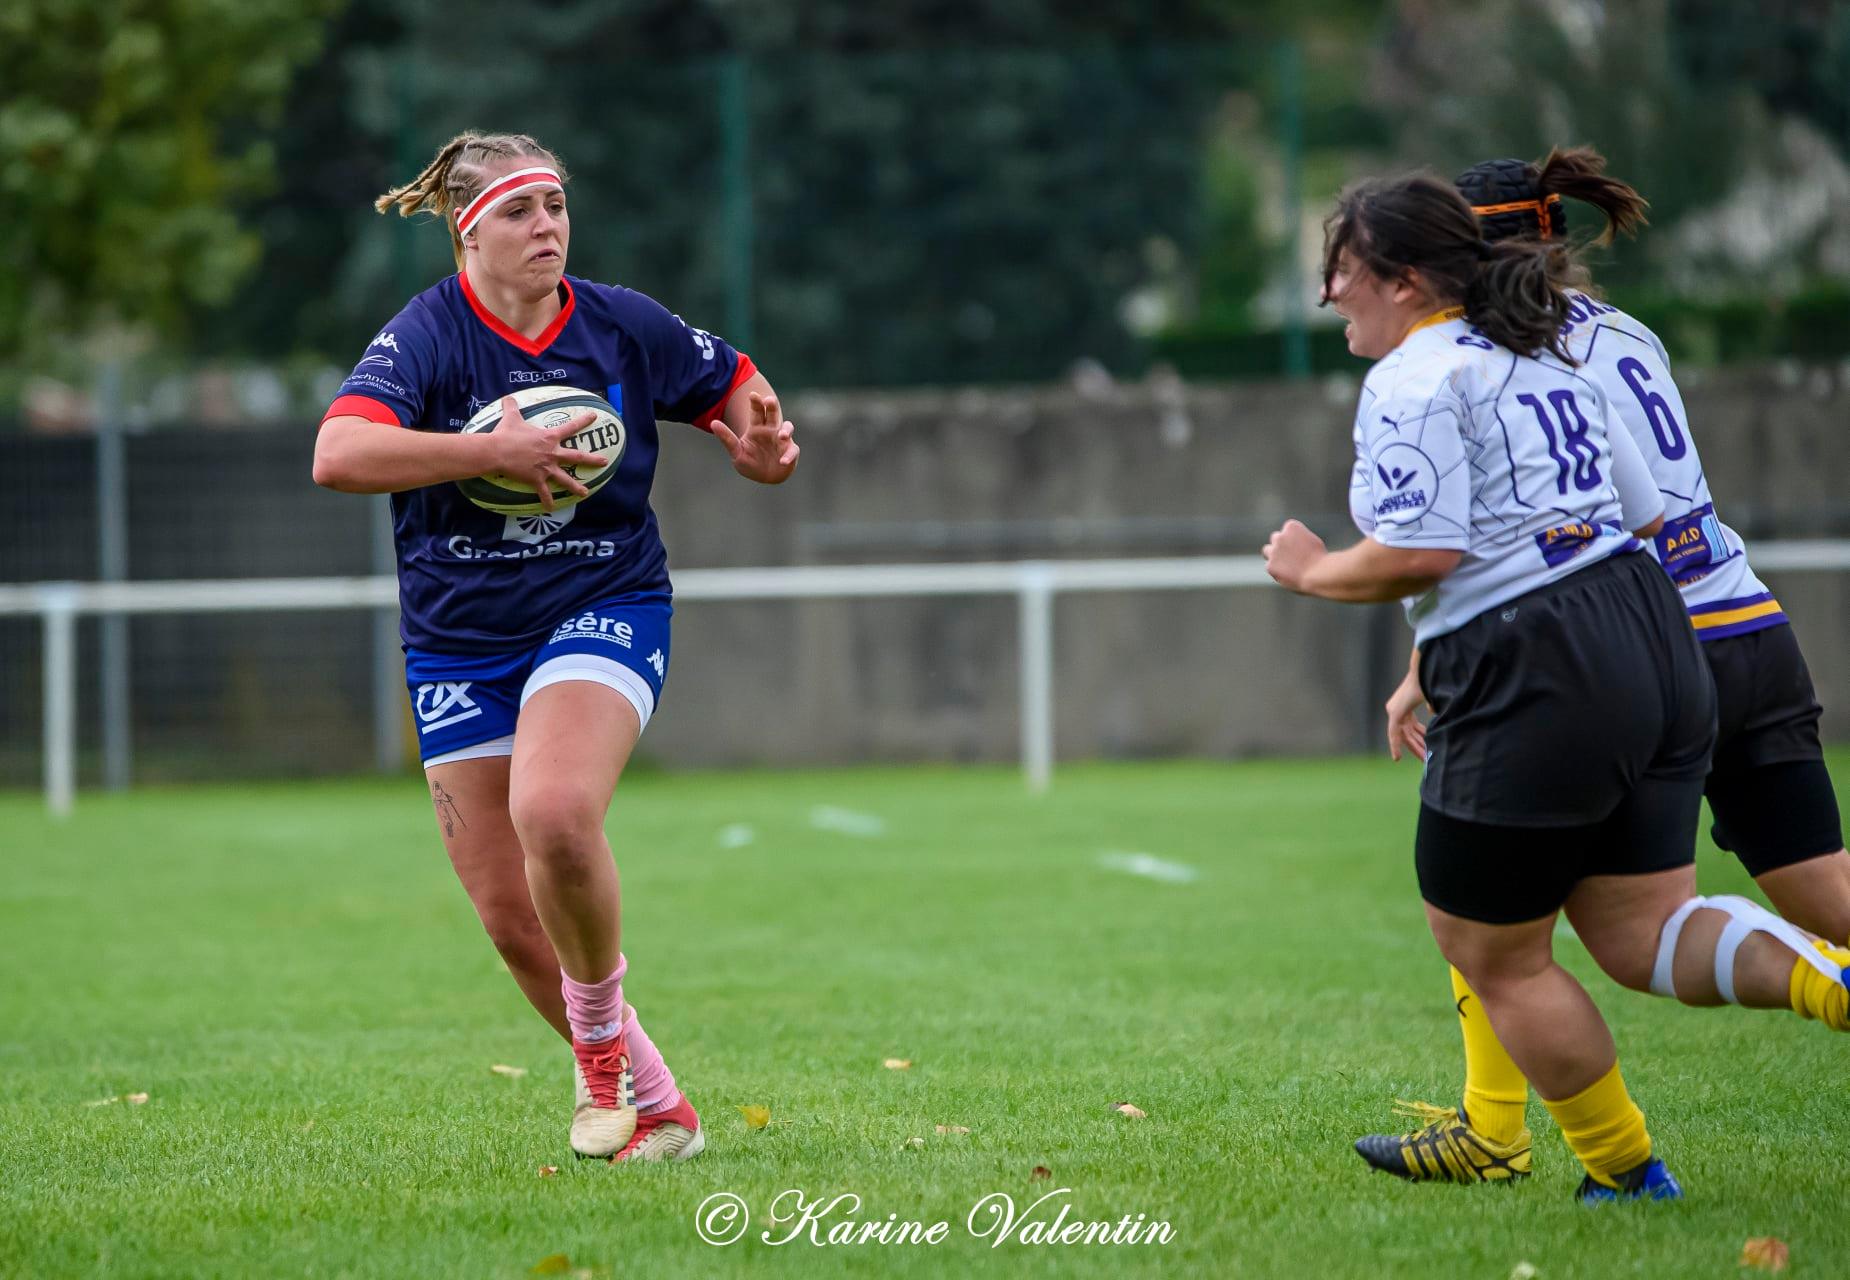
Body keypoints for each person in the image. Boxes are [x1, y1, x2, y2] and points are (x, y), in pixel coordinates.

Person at [1261, 171, 1850, 1202]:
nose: (1328, 293)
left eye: (1340, 270)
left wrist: (1311, 568)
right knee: (1642, 931)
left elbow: (1419, 551)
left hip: (1540, 656)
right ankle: (1831, 978)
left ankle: (1610, 1167)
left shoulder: (1412, 377)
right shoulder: (1546, 347)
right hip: (1656, 627)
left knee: (1490, 949)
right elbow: (1634, 503)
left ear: (1403, 280)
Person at [312, 132, 799, 1162]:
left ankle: (594, 1061)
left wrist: (760, 449)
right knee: (507, 911)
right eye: (522, 214)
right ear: (466, 229)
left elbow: (740, 391)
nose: (548, 229)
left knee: (555, 811)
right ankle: (660, 1107)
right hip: (458, 643)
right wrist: (491, 450)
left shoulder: (623, 326)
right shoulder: (427, 338)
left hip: (602, 603)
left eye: (557, 208)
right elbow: (339, 452)